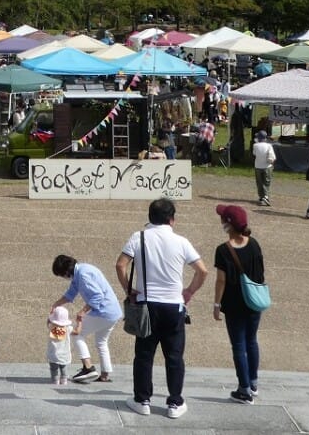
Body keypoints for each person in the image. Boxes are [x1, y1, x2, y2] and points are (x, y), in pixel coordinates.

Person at [115, 198, 209, 419]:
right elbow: (202, 271)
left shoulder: (138, 238)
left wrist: (128, 290)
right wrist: (189, 292)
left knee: (144, 355)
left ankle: (142, 400)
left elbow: (120, 264)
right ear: (172, 219)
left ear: (150, 217)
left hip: (146, 305)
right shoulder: (182, 241)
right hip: (173, 306)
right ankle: (175, 402)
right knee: (174, 356)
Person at [212, 204, 266, 404]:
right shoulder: (254, 244)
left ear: (228, 224)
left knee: (238, 345)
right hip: (254, 301)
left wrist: (216, 304)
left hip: (234, 304)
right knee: (251, 340)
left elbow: (221, 280)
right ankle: (253, 382)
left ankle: (243, 390)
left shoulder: (223, 250)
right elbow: (260, 273)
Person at [51, 253, 123, 383]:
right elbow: (70, 294)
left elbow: (98, 296)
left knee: (75, 333)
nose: (63, 278)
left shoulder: (83, 275)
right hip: (113, 313)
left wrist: (82, 312)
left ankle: (88, 367)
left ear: (66, 271)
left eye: (61, 275)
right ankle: (105, 375)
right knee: (101, 342)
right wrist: (56, 304)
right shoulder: (80, 272)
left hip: (104, 312)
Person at [46, 306, 74, 385]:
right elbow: (77, 332)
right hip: (64, 354)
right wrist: (79, 323)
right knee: (63, 367)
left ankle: (55, 380)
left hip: (53, 354)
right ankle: (64, 379)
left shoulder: (52, 327)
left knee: (54, 368)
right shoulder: (68, 328)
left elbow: (48, 322)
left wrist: (50, 315)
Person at [252, 131, 276, 206]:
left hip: (258, 166)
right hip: (267, 166)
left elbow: (254, 153)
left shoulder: (255, 145)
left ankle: (261, 196)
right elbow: (272, 156)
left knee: (259, 182)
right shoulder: (269, 145)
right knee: (266, 182)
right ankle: (265, 196)